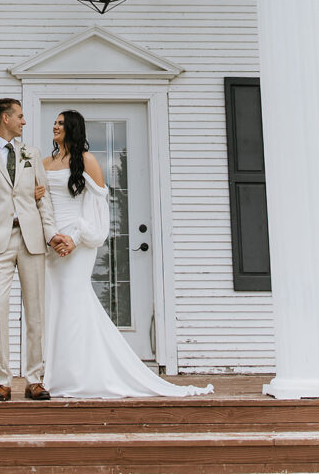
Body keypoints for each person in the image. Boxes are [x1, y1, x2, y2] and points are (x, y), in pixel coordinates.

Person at [35, 109, 214, 399]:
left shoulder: (87, 161)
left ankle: (83, 376)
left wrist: (76, 238)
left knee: (74, 300)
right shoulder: (44, 163)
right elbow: (43, 204)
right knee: (58, 306)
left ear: (73, 128)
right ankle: (60, 376)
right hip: (53, 241)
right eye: (54, 123)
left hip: (78, 241)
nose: (55, 127)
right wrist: (50, 234)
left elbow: (97, 209)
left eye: (60, 123)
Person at [0, 98, 70, 401]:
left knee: (35, 311)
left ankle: (34, 378)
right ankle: (2, 380)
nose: (24, 122)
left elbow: (43, 200)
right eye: (20, 117)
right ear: (5, 118)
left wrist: (50, 233)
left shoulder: (31, 153)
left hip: (31, 239)